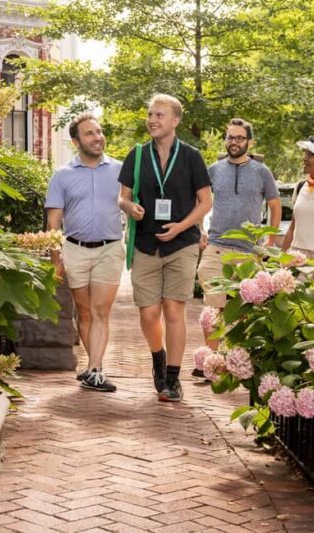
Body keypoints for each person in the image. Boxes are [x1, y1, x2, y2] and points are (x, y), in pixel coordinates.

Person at [118, 94, 212, 402]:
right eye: (150, 114)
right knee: (148, 313)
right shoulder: (136, 154)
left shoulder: (191, 156)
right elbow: (123, 197)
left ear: (175, 120)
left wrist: (182, 227)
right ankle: (158, 356)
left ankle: (173, 378)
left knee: (174, 309)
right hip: (145, 244)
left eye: (159, 115)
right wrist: (130, 207)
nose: (153, 120)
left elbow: (206, 202)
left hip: (182, 243)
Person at [46, 113, 124, 392]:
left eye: (100, 131)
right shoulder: (62, 175)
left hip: (110, 248)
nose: (97, 137)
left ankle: (95, 369)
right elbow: (53, 222)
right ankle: (92, 366)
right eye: (90, 133)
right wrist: (56, 259)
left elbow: (134, 202)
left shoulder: (120, 170)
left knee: (101, 310)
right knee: (85, 312)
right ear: (76, 140)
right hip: (75, 249)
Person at [198, 118, 281, 349]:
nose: (234, 142)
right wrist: (200, 230)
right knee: (213, 307)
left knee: (244, 310)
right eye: (230, 137)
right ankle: (212, 362)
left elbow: (275, 205)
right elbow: (199, 201)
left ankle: (236, 359)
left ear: (249, 142)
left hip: (248, 252)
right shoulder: (213, 170)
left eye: (239, 138)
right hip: (216, 247)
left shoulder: (262, 172)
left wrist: (270, 241)